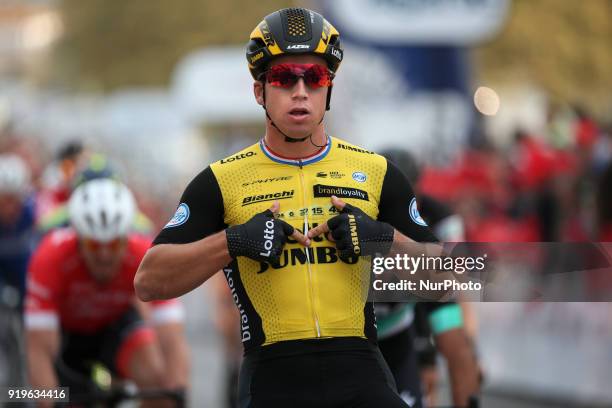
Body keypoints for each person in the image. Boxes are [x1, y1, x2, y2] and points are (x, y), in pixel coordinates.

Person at [136, 8, 447, 407]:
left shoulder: (376, 172)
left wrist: (383, 238)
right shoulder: (220, 181)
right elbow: (148, 281)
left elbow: (448, 280)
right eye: (284, 78)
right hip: (272, 377)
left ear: (329, 88)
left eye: (314, 78)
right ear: (259, 92)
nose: (300, 91)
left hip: (361, 371)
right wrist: (232, 242)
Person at [25, 179, 189, 407]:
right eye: (94, 245)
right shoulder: (51, 257)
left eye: (112, 245)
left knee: (157, 379)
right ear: (79, 239)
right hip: (64, 336)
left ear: (126, 239)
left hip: (115, 328)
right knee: (49, 397)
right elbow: (40, 349)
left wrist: (176, 391)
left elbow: (172, 339)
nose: (104, 255)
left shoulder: (144, 254)